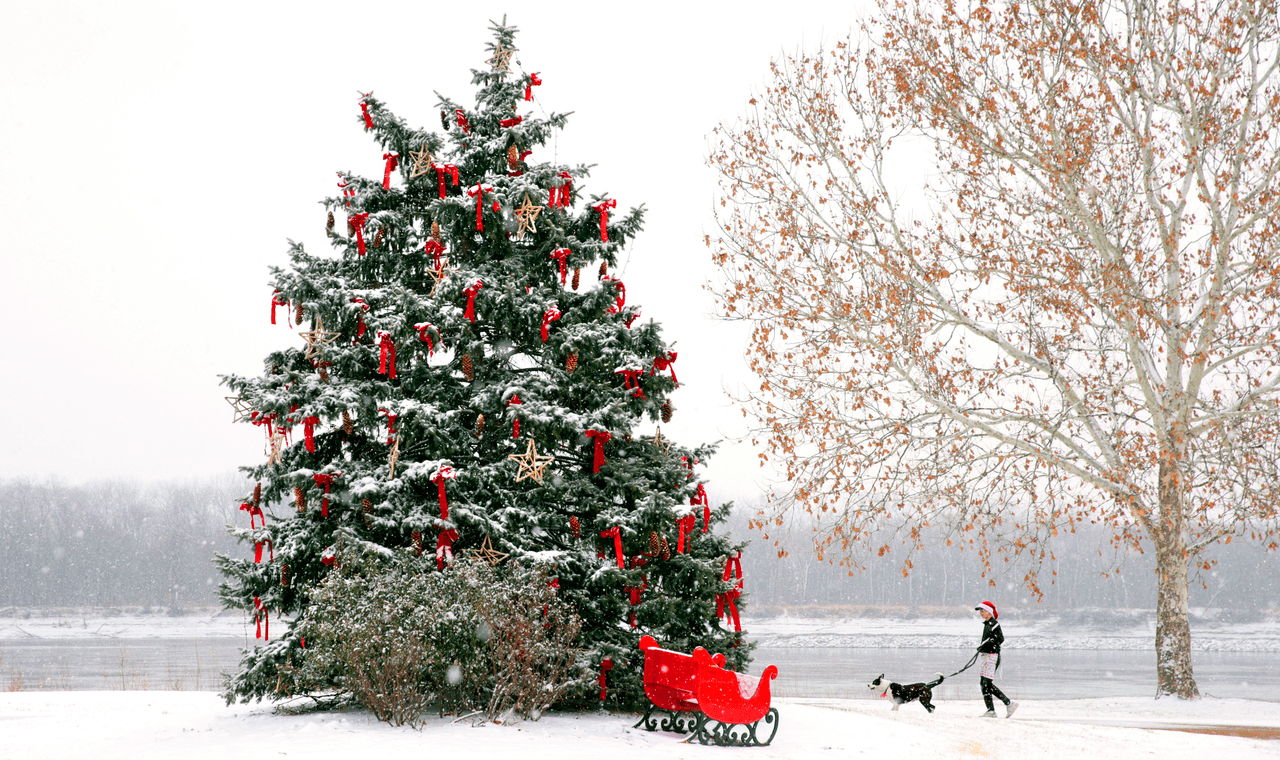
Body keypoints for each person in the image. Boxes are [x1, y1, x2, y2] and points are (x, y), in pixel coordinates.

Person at [975, 601, 1018, 718]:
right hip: (986, 656)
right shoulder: (987, 624)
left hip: (992, 656)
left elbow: (1000, 639)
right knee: (984, 684)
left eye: (982, 611)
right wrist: (984, 646)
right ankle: (993, 709)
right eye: (980, 611)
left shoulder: (994, 624)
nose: (981, 613)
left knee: (986, 684)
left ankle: (1007, 704)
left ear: (989, 612)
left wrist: (987, 644)